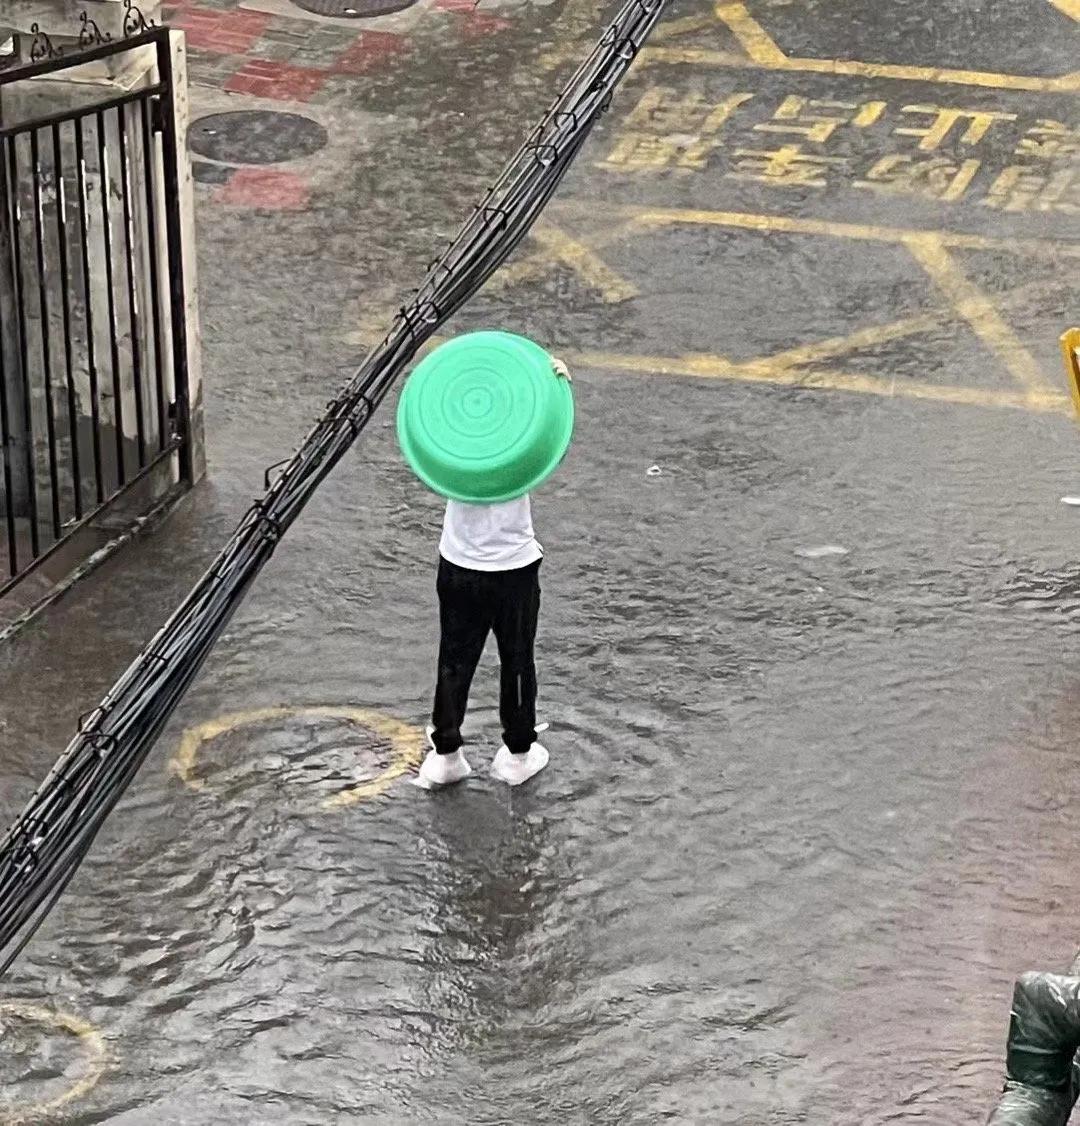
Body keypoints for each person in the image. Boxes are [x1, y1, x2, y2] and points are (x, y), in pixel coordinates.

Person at [414, 359, 569, 789]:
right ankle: (518, 753)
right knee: (517, 659)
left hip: (458, 563)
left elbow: (423, 422)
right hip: (513, 568)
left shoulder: (454, 444)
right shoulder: (516, 445)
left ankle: (444, 755)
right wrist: (551, 383)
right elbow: (549, 438)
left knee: (454, 659)